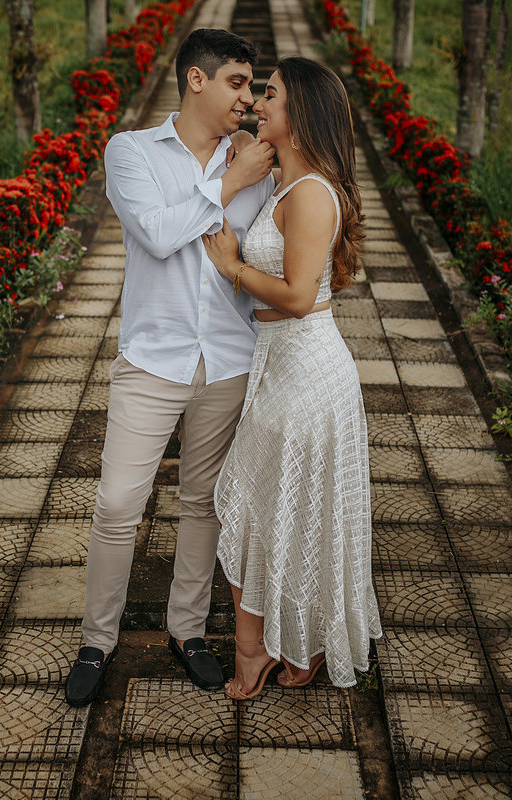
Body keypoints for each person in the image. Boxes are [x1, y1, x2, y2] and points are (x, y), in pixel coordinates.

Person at [64, 29, 277, 707]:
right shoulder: (131, 151)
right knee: (118, 504)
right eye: (238, 83)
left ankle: (187, 630)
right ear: (196, 80)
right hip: (152, 360)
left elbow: (266, 252)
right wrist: (227, 186)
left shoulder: (255, 162)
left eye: (252, 87)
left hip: (228, 359)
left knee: (203, 503)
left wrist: (251, 178)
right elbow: (156, 235)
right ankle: (97, 640)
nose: (248, 98)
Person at [201, 56, 382, 699]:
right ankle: (292, 644)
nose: (257, 101)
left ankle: (263, 651)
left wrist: (232, 268)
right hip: (281, 366)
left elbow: (301, 296)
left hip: (305, 375)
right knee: (281, 511)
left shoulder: (309, 195)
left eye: (270, 94)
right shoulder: (287, 184)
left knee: (256, 508)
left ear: (300, 112)